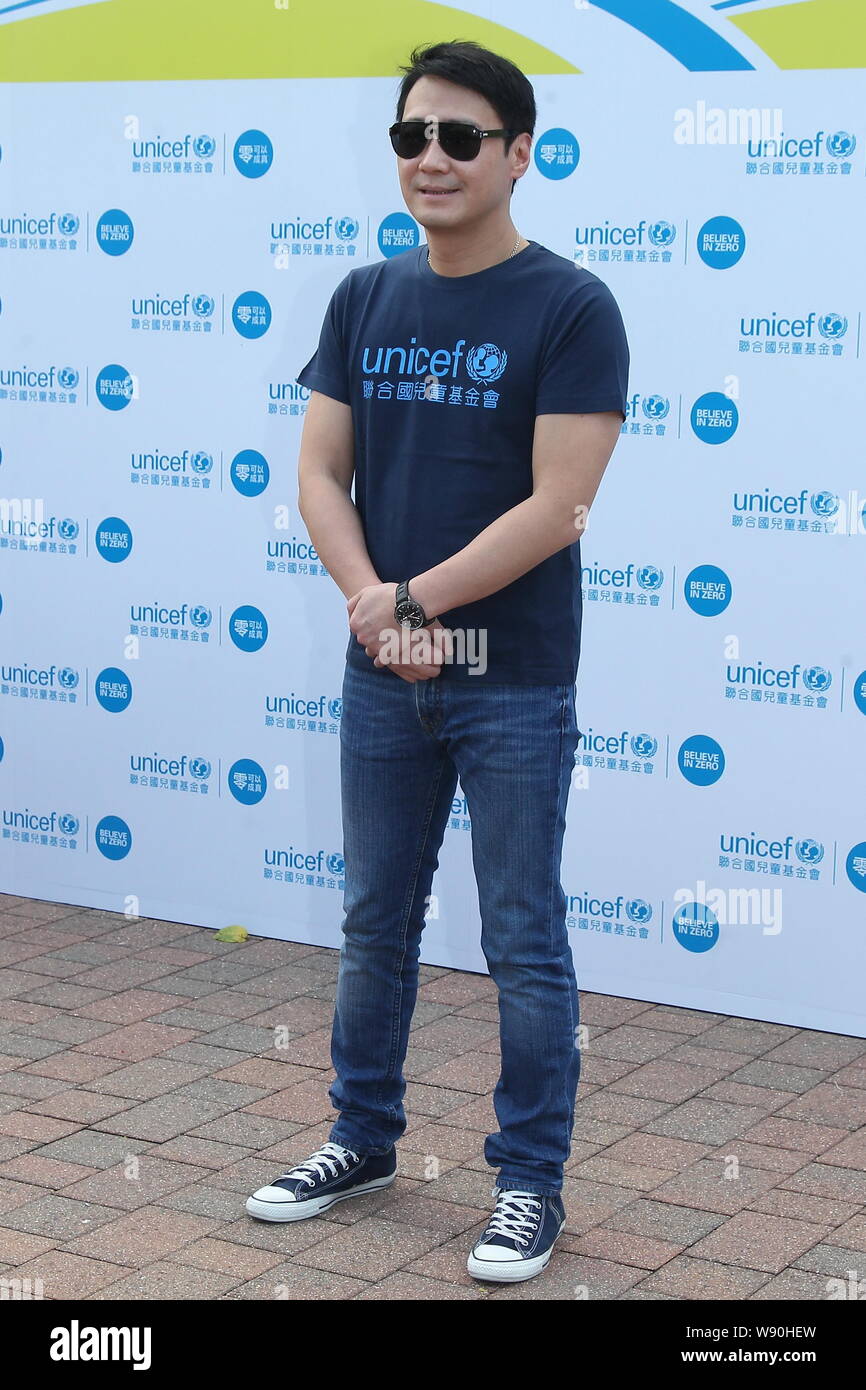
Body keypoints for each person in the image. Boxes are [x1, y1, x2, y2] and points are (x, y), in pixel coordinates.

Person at [246, 38, 629, 1285]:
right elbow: (315, 472)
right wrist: (372, 605)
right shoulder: (362, 296)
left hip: (505, 671)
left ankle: (528, 1184)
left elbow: (558, 506)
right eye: (412, 136)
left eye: (460, 138)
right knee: (373, 925)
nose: (431, 159)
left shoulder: (570, 307)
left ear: (519, 153)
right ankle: (361, 1139)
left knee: (521, 933)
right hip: (383, 662)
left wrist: (413, 598)